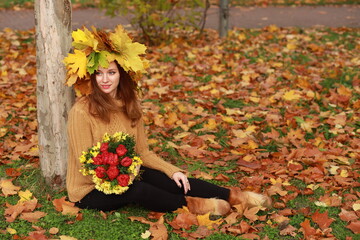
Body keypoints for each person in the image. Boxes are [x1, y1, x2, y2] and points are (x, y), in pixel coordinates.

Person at [64, 25, 271, 216]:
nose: (105, 79)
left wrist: (172, 172)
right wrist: (126, 173)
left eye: (111, 72)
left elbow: (143, 152)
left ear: (122, 75)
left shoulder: (129, 105)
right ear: (92, 76)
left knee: (167, 180)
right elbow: (87, 166)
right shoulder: (82, 112)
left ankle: (236, 196)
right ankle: (198, 206)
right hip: (89, 190)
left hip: (127, 174)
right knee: (140, 189)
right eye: (99, 73)